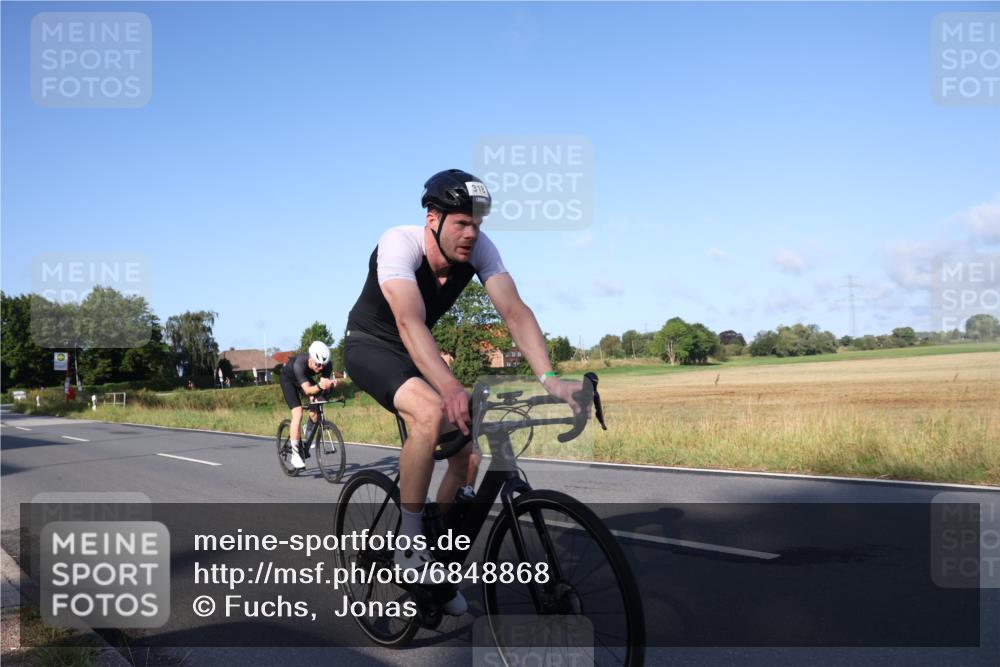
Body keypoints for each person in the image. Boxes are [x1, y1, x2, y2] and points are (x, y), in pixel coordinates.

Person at [343, 169, 583, 616]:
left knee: (468, 455)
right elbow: (408, 322)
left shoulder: (480, 249)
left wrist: (549, 378)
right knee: (432, 411)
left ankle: (439, 558)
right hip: (371, 345)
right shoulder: (399, 243)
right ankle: (410, 546)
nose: (472, 233)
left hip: (419, 353)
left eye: (478, 223)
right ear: (433, 218)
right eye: (462, 223)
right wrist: (450, 386)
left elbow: (513, 311)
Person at [279, 341, 338, 469]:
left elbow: (322, 386)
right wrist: (319, 386)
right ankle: (295, 454)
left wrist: (330, 385)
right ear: (310, 358)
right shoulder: (299, 364)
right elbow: (307, 390)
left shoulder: (325, 365)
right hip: (288, 380)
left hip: (303, 379)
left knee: (317, 403)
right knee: (298, 413)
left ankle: (308, 428)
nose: (320, 368)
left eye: (323, 365)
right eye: (317, 364)